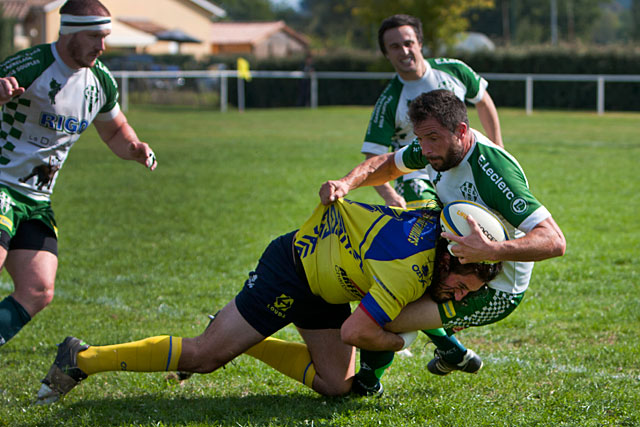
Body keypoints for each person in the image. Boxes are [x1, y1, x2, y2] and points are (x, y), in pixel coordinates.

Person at [35, 198, 501, 403]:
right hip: (292, 269)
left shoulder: (436, 229)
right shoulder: (410, 269)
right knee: (205, 357)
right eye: (460, 284)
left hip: (330, 283)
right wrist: (401, 343)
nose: (457, 295)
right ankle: (83, 359)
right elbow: (357, 332)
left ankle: (251, 341)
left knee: (336, 387)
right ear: (450, 255)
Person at [320, 89, 566, 395]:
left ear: (461, 131)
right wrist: (345, 183)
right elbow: (385, 164)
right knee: (384, 290)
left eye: (432, 138)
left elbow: (554, 240)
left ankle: (368, 385)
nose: (424, 149)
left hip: (496, 289)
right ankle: (450, 350)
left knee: (382, 318)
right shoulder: (434, 150)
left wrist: (492, 250)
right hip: (458, 260)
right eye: (420, 139)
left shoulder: (492, 172)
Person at [0, 0, 157, 347]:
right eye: (94, 37)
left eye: (105, 37)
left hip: (36, 200)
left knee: (38, 289)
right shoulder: (32, 65)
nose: (101, 46)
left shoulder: (100, 82)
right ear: (69, 32)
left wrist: (135, 147)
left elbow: (115, 131)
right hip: (1, 184)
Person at [363, 14, 503, 210]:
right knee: (432, 231)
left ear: (419, 43)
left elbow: (483, 101)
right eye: (394, 47)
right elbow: (372, 154)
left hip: (462, 166)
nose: (404, 51)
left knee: (481, 225)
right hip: (415, 176)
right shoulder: (389, 101)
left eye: (408, 43)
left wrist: (498, 148)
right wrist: (390, 196)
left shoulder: (454, 70)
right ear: (386, 53)